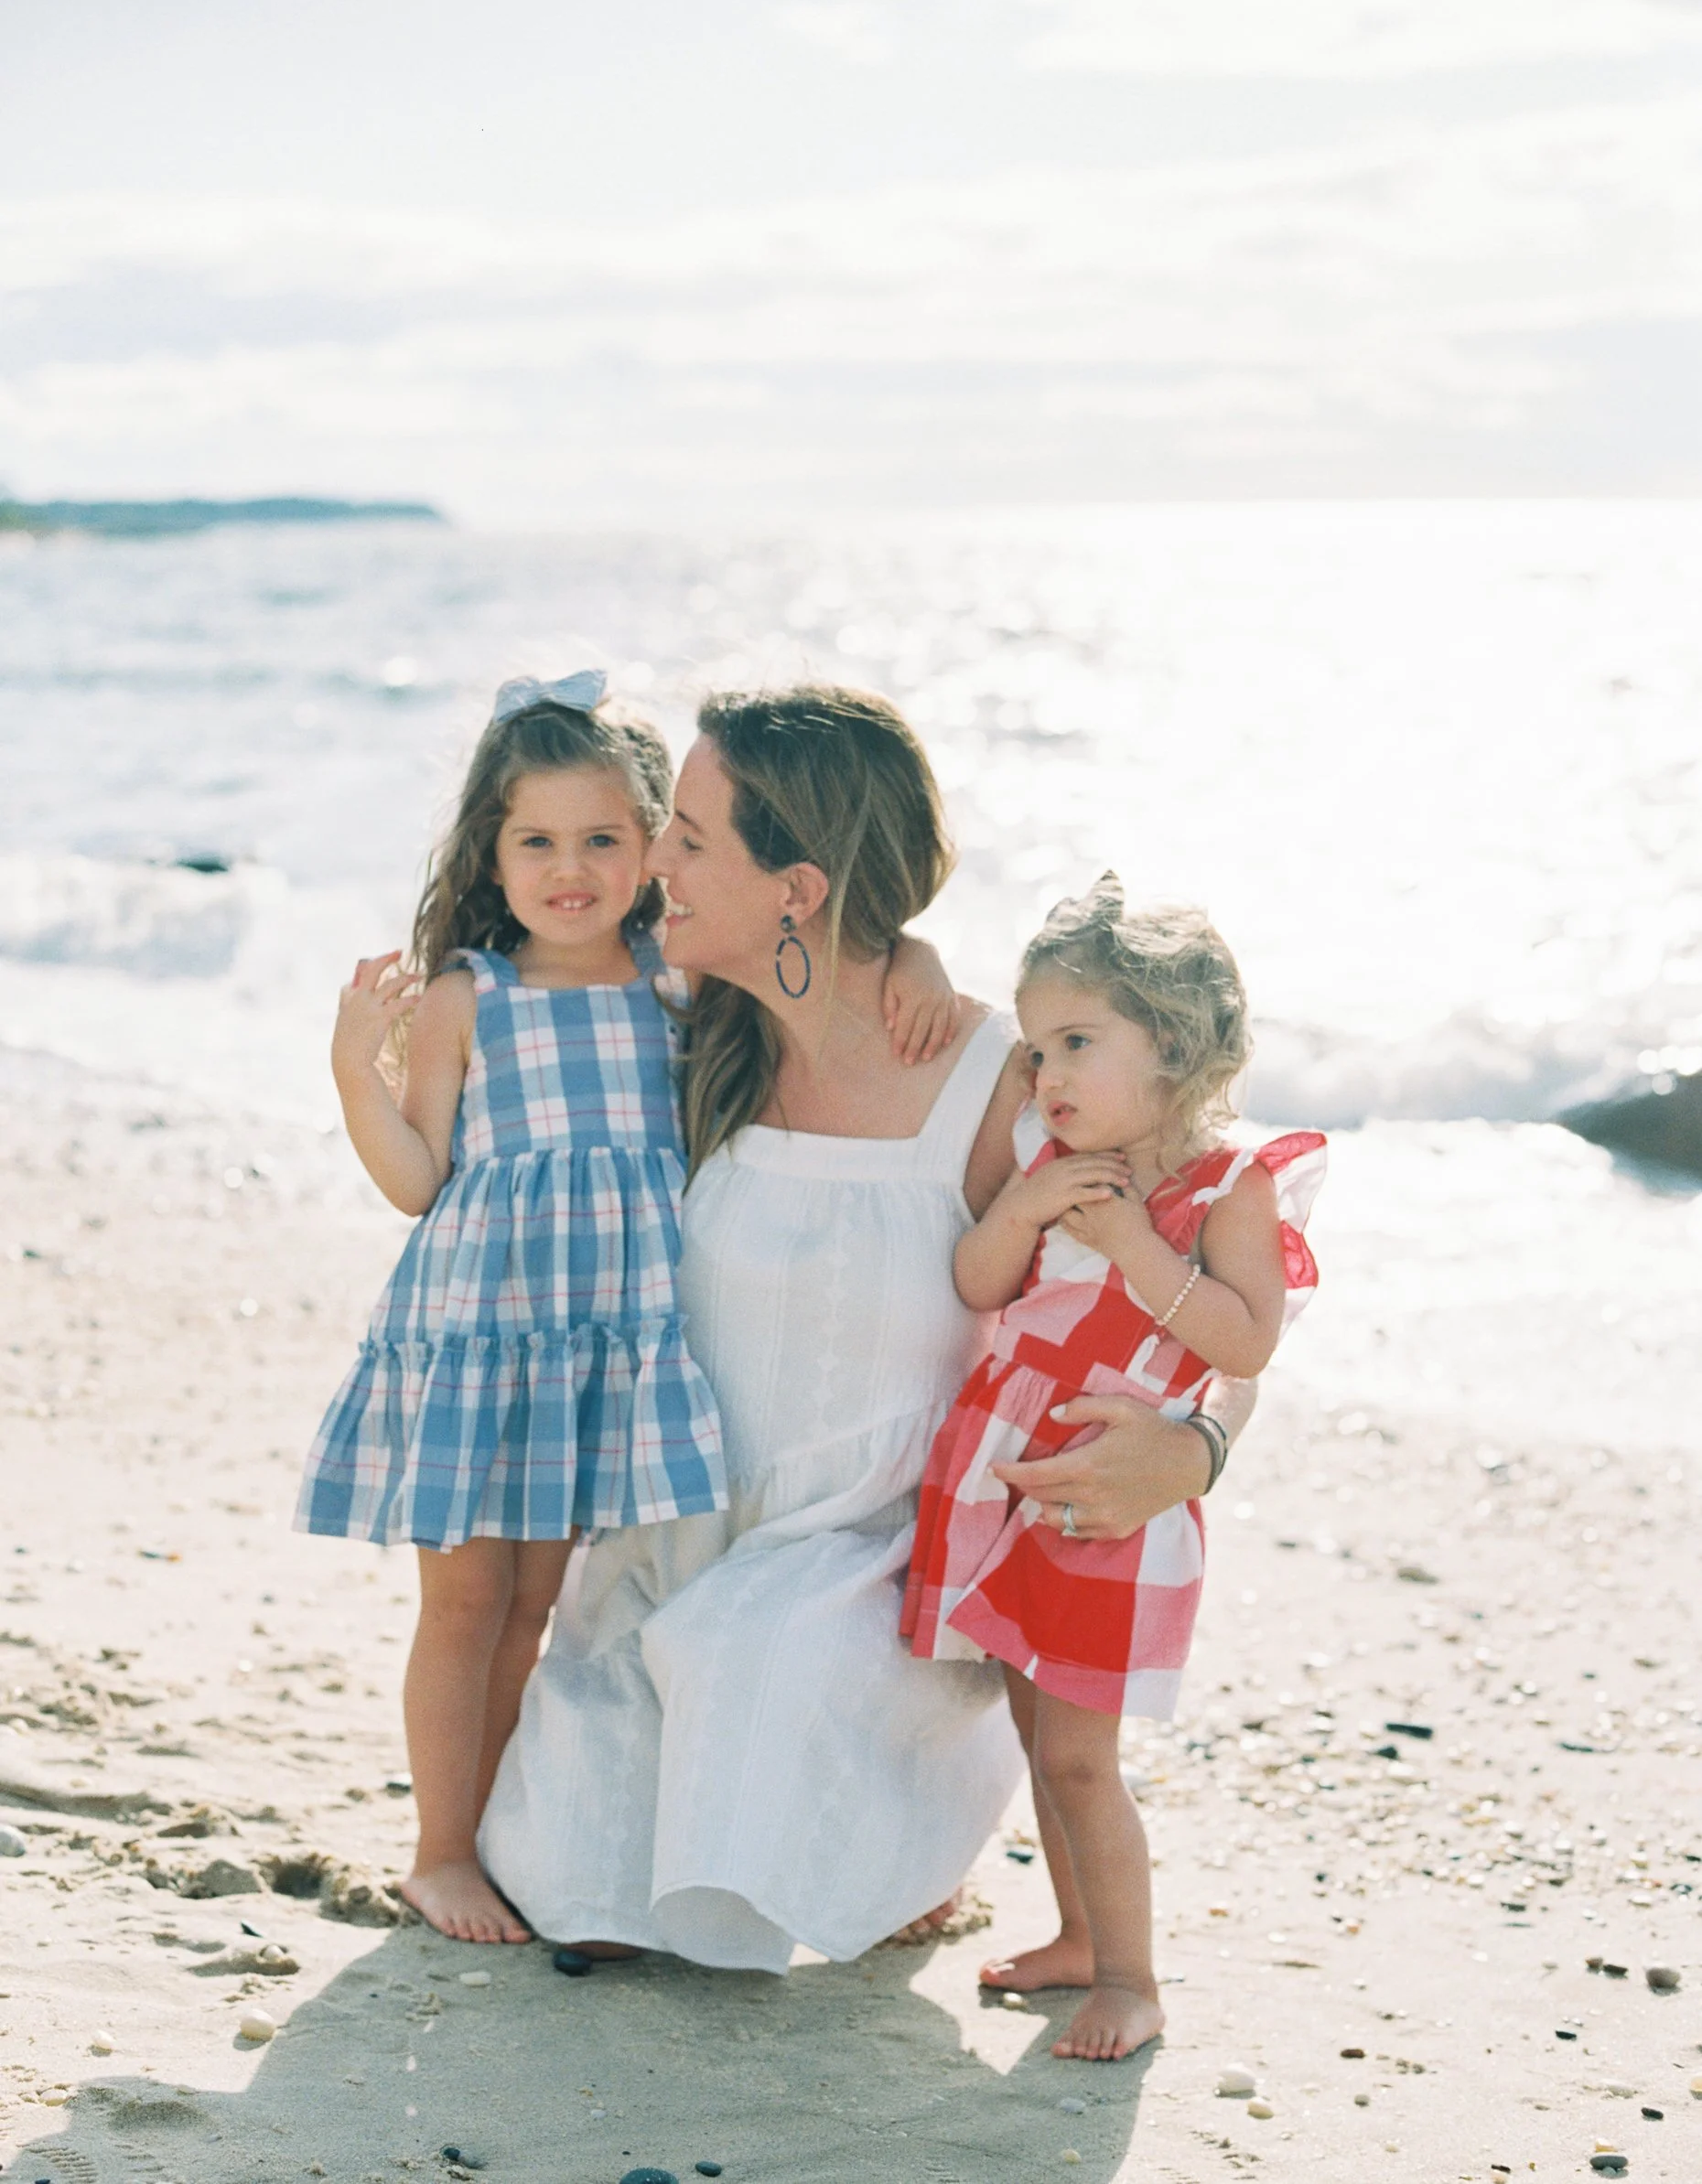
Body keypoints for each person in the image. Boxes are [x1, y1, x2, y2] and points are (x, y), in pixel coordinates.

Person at [478, 691, 1263, 1972]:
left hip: (882, 1576)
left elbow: (1217, 1284)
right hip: (676, 1547)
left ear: (795, 888)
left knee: (751, 1673)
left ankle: (897, 1822)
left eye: (685, 837)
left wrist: (1196, 1449)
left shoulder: (999, 1079)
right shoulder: (676, 1042)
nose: (649, 863)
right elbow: (489, 946)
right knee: (577, 1880)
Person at [296, 669, 955, 1944]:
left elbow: (818, 954)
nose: (572, 868)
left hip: (601, 1356)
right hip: (487, 1345)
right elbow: (417, 1182)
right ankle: (439, 1851)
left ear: (657, 845)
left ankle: (493, 1834)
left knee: (541, 1608)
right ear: (491, 851)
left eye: (605, 838)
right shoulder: (466, 996)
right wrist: (351, 1073)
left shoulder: (676, 981)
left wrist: (917, 951)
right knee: (467, 1605)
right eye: (537, 840)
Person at [903, 876, 1326, 2058]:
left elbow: (1244, 1341)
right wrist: (1028, 1203)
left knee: (1086, 1759)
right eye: (1039, 1050)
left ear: (1177, 1044)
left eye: (1078, 1043)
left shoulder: (1230, 1182)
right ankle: (1079, 1935)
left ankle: (1133, 1981)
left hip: (1111, 1502)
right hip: (1010, 1469)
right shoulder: (1049, 1153)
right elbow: (978, 1285)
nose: (1048, 1077)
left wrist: (1137, 1244)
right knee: (1041, 1738)